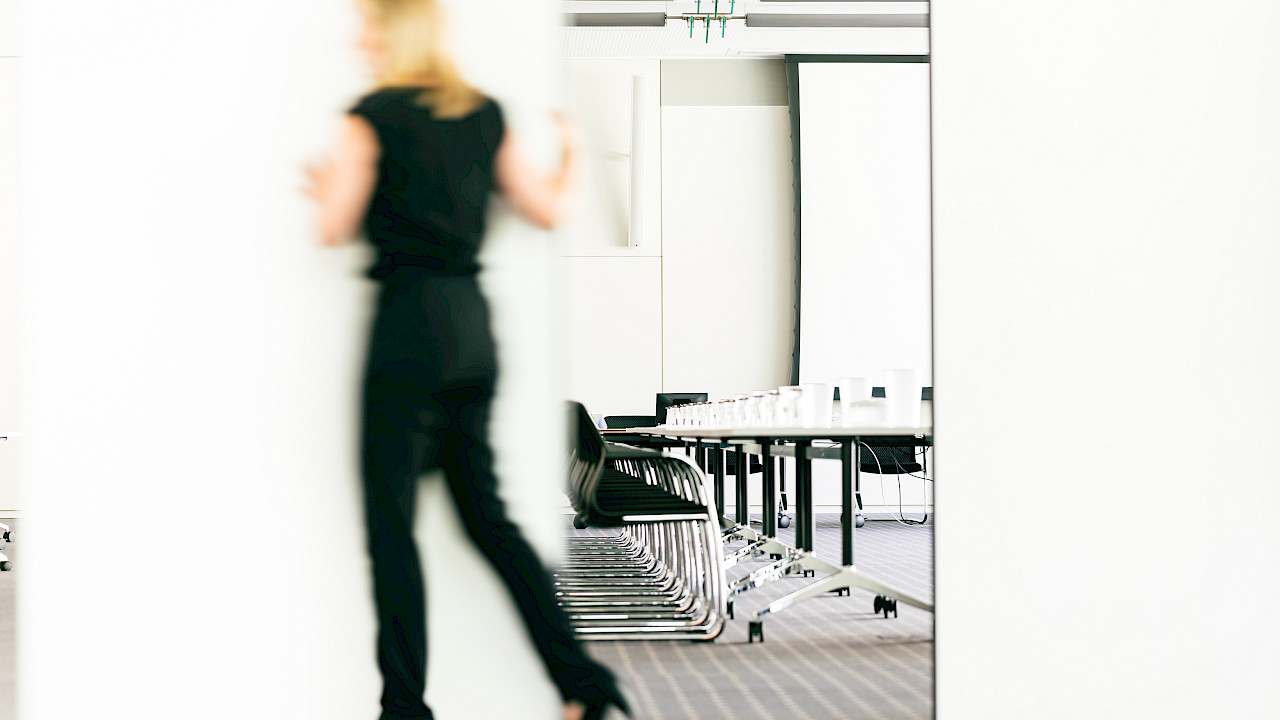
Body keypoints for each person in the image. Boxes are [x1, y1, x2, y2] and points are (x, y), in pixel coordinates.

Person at [304, 2, 628, 719]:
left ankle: (405, 709)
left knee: (392, 530)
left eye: (368, 28)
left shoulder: (370, 116)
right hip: (471, 331)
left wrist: (328, 189)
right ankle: (584, 685)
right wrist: (574, 152)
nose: (359, 40)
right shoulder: (485, 114)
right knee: (490, 522)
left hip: (407, 330)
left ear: (396, 33)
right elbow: (549, 209)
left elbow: (331, 225)